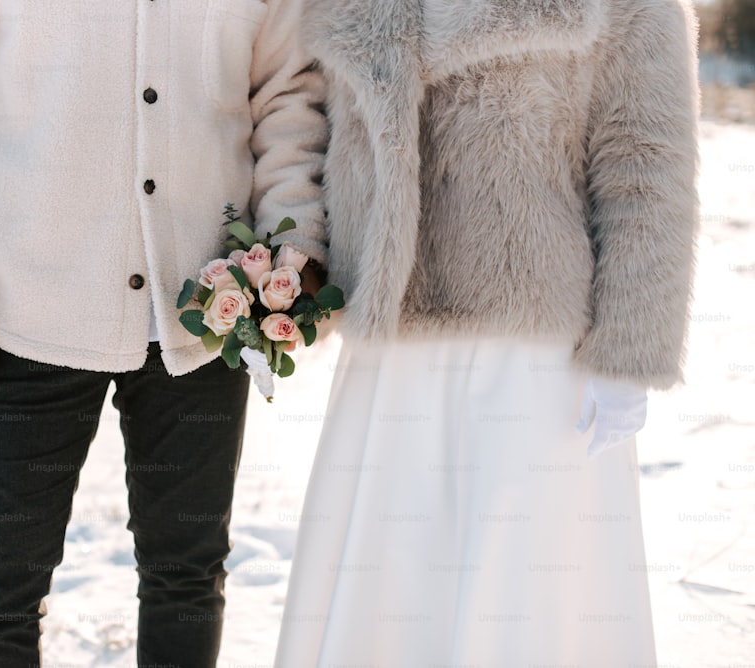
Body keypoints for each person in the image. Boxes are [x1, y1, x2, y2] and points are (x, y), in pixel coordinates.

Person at [0, 1, 327, 666]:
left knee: (188, 575)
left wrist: (293, 248)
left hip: (208, 315)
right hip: (26, 317)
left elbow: (290, 96)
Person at [276, 0, 699, 665]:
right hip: (392, 354)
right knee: (392, 580)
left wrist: (630, 351)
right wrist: (291, 274)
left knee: (524, 585)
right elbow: (305, 124)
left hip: (533, 362)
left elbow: (646, 166)